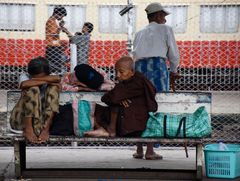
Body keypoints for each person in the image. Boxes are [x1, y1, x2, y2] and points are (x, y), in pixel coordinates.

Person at [132, 2, 181, 160]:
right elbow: (173, 53)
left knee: (140, 105)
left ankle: (139, 149)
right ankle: (150, 150)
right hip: (157, 69)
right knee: (155, 105)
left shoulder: (139, 33)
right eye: (164, 16)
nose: (165, 20)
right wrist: (173, 70)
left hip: (139, 70)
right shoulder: (166, 30)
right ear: (157, 15)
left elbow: (134, 56)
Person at [84, 56, 160, 160]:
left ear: (132, 72)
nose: (117, 75)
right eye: (116, 71)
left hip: (135, 128)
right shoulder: (134, 80)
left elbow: (107, 98)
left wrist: (118, 99)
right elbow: (113, 96)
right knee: (121, 103)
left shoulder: (136, 83)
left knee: (103, 108)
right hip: (140, 125)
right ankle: (141, 150)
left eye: (121, 72)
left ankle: (111, 130)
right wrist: (120, 99)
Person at [10, 57, 61, 143]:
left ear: (48, 73)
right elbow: (24, 84)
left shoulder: (53, 77)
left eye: (43, 77)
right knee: (33, 89)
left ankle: (45, 129)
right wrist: (47, 81)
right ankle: (28, 129)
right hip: (20, 121)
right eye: (34, 78)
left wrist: (37, 81)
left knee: (54, 88)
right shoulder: (24, 76)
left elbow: (58, 81)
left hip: (42, 123)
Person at [45, 6, 67, 74]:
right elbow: (54, 35)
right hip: (53, 47)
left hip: (54, 46)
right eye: (62, 16)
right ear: (57, 14)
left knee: (56, 67)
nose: (62, 18)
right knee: (55, 68)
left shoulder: (53, 21)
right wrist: (60, 27)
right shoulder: (51, 21)